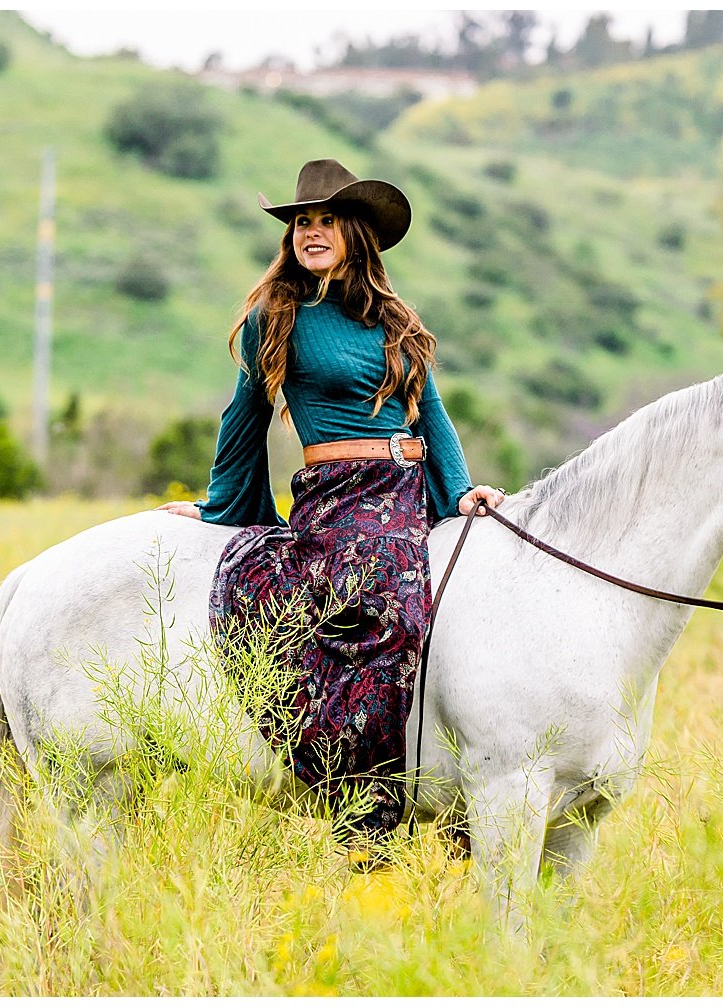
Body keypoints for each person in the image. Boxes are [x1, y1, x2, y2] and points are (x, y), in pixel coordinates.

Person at [157, 158, 504, 866]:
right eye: (301, 223)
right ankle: (365, 810)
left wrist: (460, 490)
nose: (311, 232)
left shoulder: (397, 321)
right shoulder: (277, 316)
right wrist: (224, 507)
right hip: (340, 498)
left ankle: (465, 786)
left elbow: (431, 414)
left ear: (355, 233)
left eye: (324, 220)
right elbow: (243, 417)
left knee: (476, 600)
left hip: (410, 489)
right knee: (388, 606)